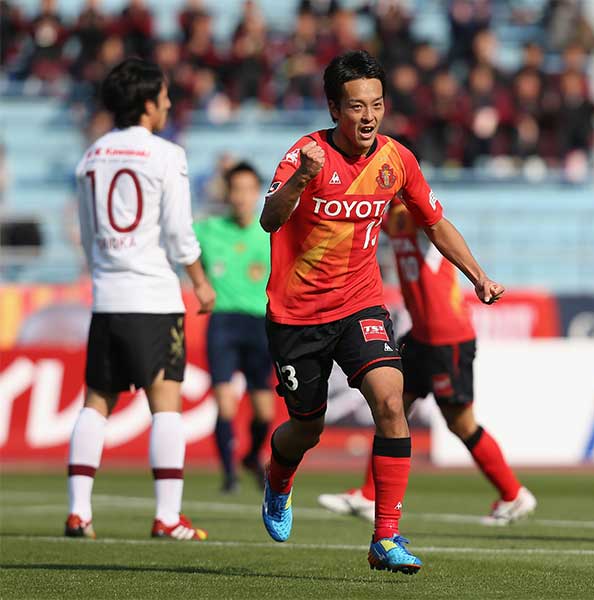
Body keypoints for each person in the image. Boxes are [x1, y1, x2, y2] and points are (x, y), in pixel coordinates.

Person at [258, 50, 504, 574]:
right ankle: (279, 482)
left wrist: (477, 275)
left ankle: (385, 536)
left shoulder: (398, 160)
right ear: (333, 109)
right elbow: (268, 219)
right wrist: (302, 180)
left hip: (361, 303)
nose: (368, 116)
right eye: (355, 106)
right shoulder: (304, 155)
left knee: (391, 402)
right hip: (298, 315)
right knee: (307, 429)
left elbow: (435, 223)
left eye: (376, 104)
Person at [67, 58, 216, 541]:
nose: (170, 104)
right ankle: (168, 516)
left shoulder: (89, 157)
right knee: (165, 402)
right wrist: (200, 281)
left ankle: (78, 512)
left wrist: (106, 272)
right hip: (153, 294)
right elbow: (178, 232)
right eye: (165, 97)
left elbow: (89, 235)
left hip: (108, 295)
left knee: (96, 401)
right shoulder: (167, 154)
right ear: (148, 103)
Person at [317, 200, 536, 525]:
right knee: (391, 406)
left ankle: (514, 494)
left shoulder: (412, 214)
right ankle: (368, 495)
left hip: (448, 339)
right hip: (421, 337)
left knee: (461, 424)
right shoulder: (389, 216)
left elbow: (434, 220)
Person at [194, 161, 274, 494]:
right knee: (225, 403)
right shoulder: (209, 229)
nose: (241, 197)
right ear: (227, 193)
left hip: (261, 324)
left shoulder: (271, 230)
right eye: (235, 189)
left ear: (258, 193)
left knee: (264, 412)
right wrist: (200, 282)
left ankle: (252, 456)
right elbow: (179, 244)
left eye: (248, 190)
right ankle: (229, 476)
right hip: (224, 323)